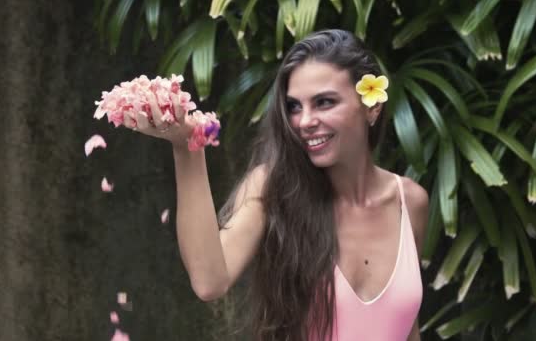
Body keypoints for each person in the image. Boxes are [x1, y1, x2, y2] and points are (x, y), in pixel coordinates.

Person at [124, 29, 428, 341]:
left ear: (372, 107)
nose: (304, 121)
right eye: (294, 106)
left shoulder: (411, 202)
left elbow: (406, 326)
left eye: (324, 102)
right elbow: (209, 280)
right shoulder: (274, 187)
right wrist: (187, 146)